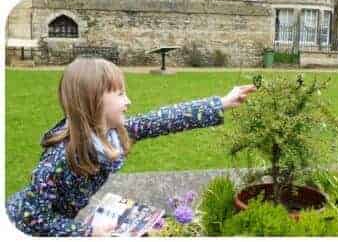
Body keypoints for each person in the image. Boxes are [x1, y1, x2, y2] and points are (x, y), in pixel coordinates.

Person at [6, 58, 255, 236]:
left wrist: (221, 103)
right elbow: (33, 219)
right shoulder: (58, 161)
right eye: (121, 94)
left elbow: (163, 119)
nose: (129, 101)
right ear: (95, 102)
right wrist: (86, 230)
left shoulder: (112, 133)